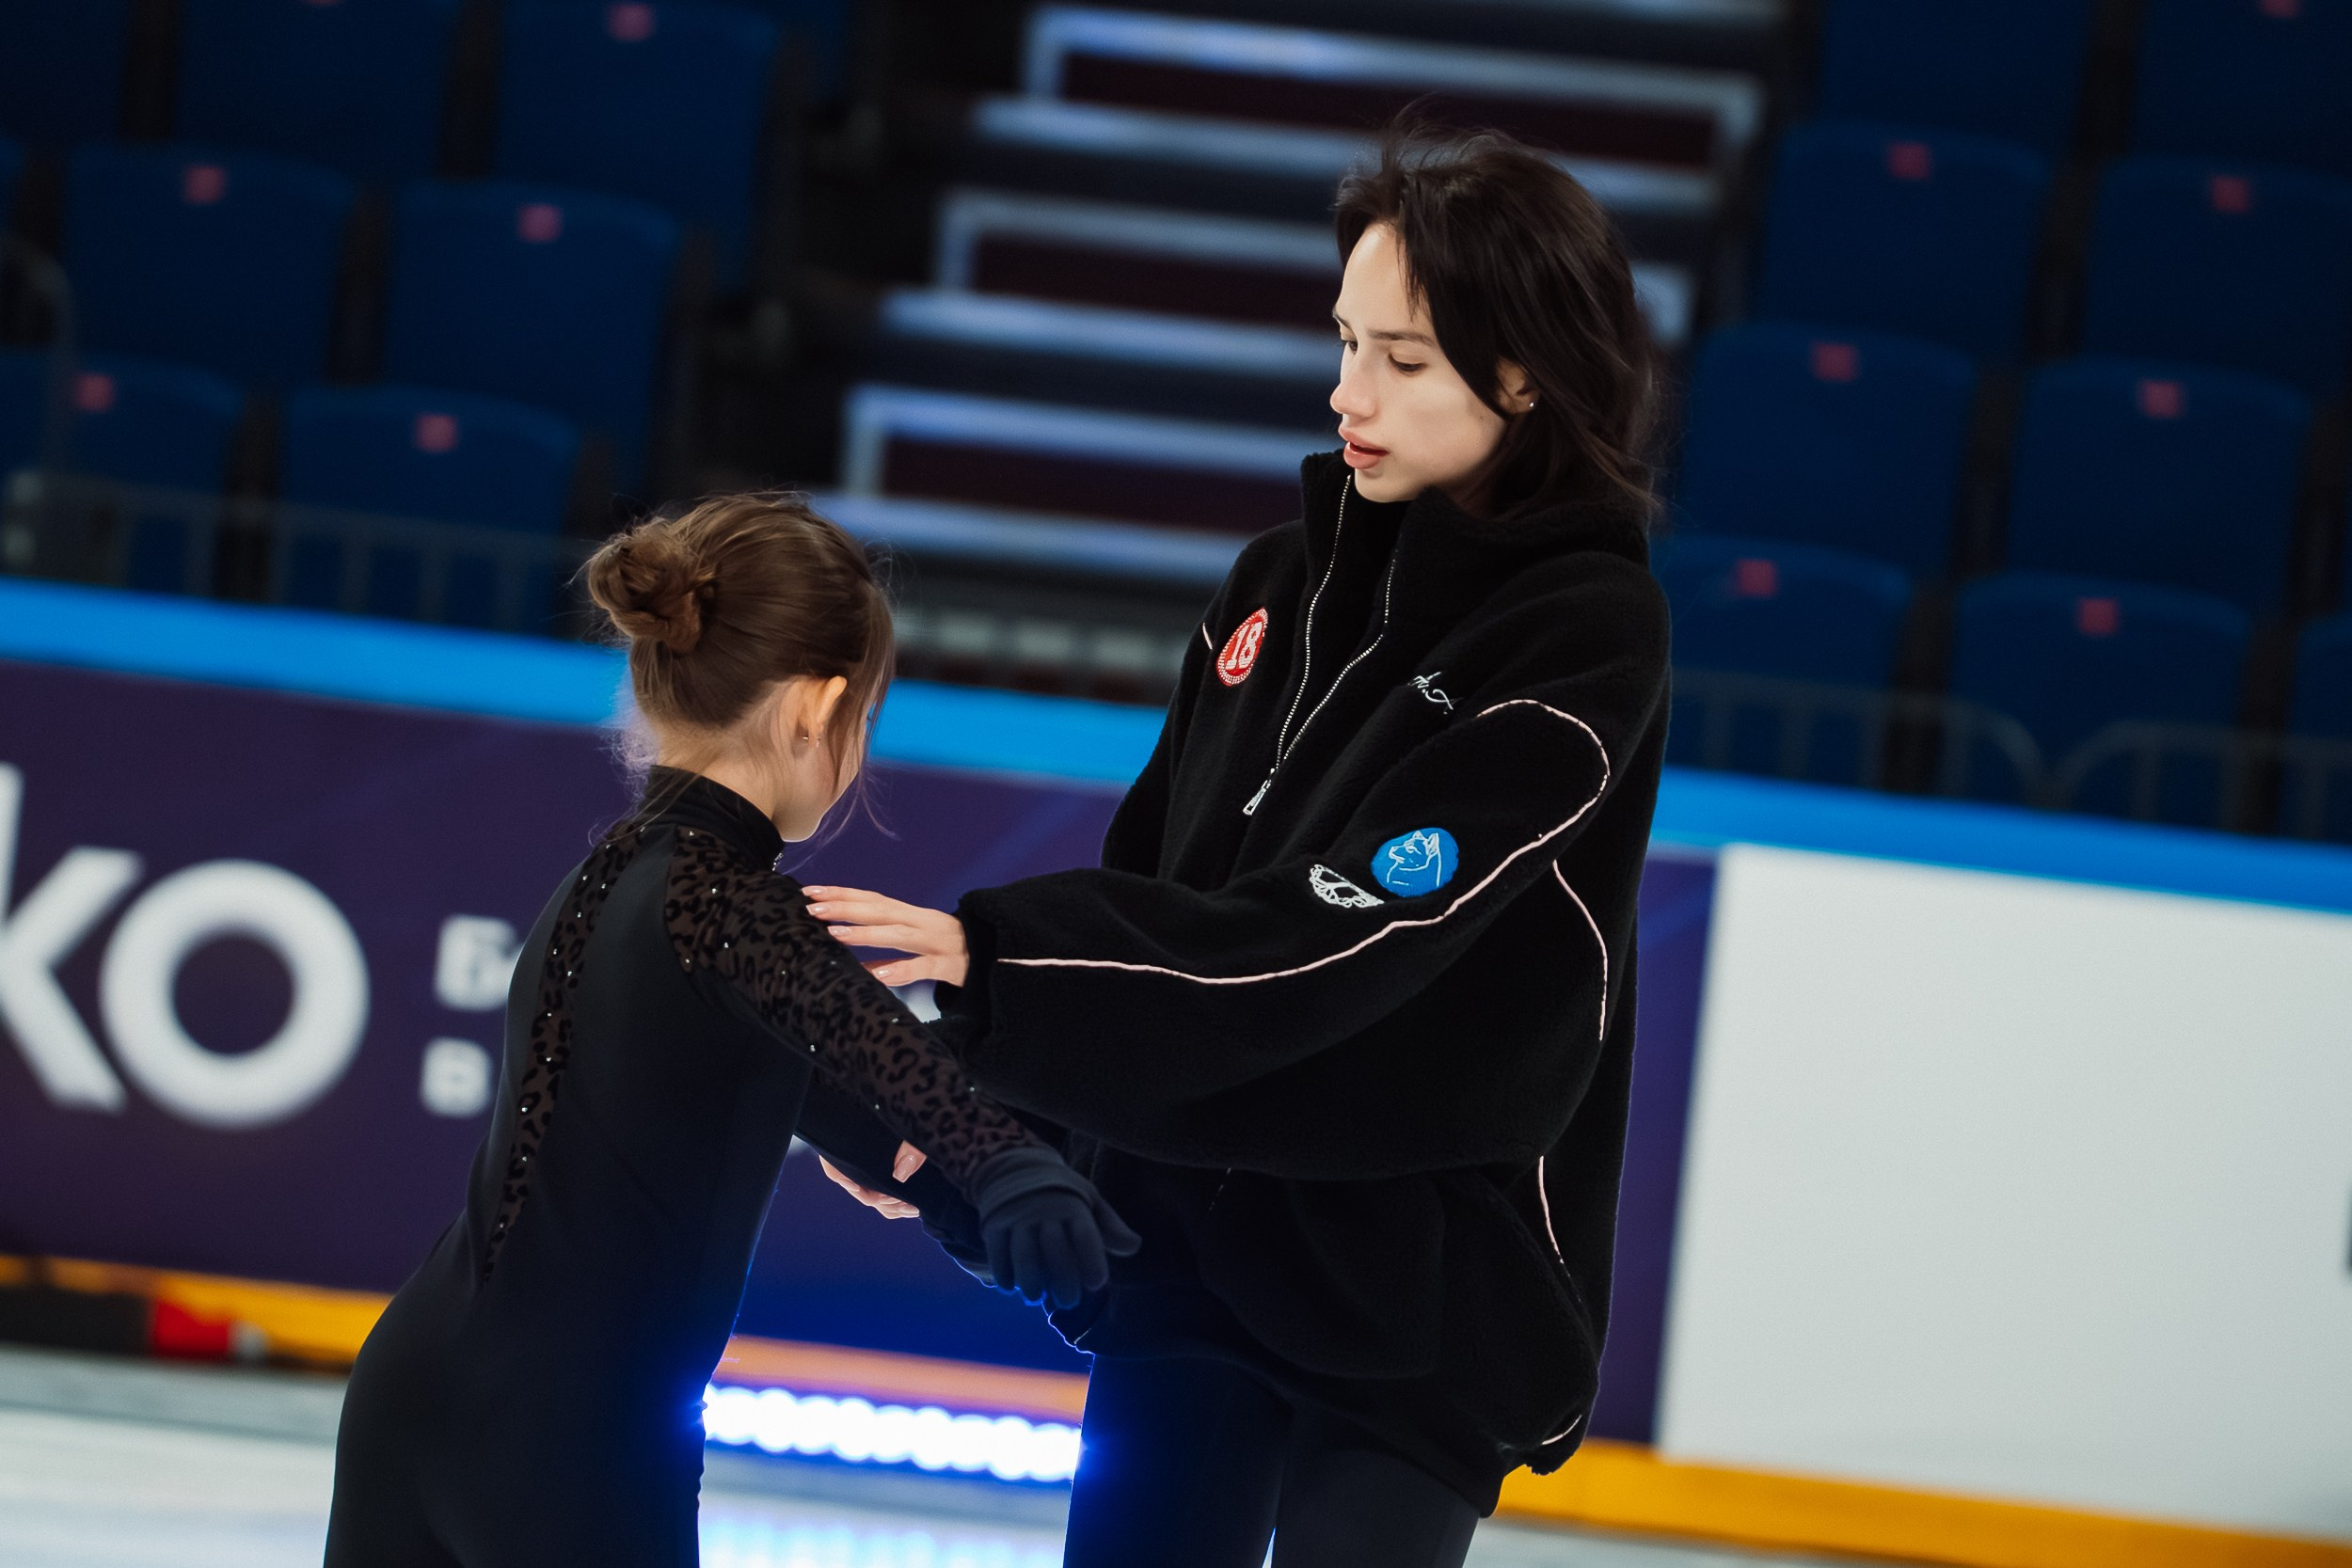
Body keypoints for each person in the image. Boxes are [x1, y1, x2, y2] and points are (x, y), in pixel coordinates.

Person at [807, 122, 1672, 1568]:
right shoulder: (1274, 582)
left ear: (1522, 373)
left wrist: (1003, 957)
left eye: (1403, 359)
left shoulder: (1586, 631)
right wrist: (955, 1127)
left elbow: (1340, 932)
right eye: (1346, 342)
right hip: (1195, 1256)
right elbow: (1168, 884)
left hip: (1419, 1303)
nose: (1351, 394)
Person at [322, 495, 1135, 1568]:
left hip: (415, 1391)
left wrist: (965, 1185)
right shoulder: (726, 903)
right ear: (818, 704)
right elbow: (875, 1046)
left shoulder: (607, 875)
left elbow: (851, 1097)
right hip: (575, 1441)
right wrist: (1010, 1167)